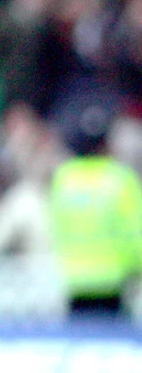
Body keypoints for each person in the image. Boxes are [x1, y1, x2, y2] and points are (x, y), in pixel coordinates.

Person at [46, 104, 142, 319]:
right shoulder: (120, 179)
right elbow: (136, 231)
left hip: (73, 279)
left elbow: (54, 225)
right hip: (114, 281)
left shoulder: (64, 178)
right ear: (106, 142)